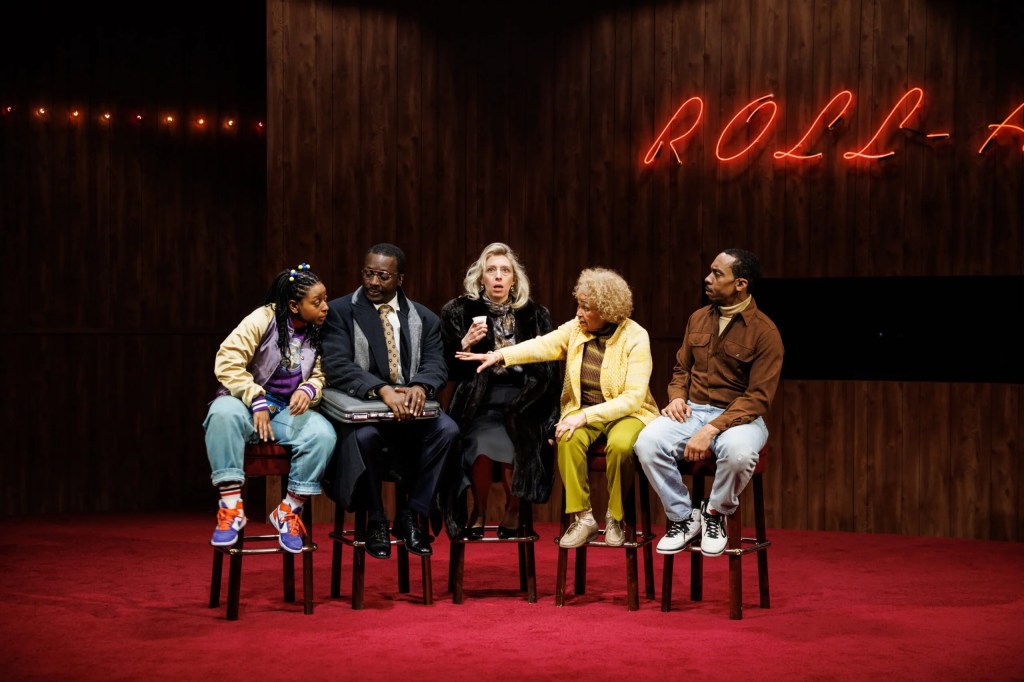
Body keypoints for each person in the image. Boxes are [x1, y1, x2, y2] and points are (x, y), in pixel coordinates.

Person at [458, 267, 659, 549]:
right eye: (579, 304)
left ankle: (615, 517)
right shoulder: (576, 329)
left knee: (621, 445)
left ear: (607, 309)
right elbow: (543, 345)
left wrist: (584, 417)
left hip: (627, 414)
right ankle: (583, 518)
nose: (578, 312)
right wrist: (500, 355)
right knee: (566, 437)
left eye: (586, 307)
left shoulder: (635, 336)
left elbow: (632, 399)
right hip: (583, 408)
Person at [634, 248, 783, 558]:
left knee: (739, 454)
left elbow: (758, 398)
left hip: (740, 418)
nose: (707, 278)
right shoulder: (698, 318)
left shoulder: (765, 332)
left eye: (717, 273)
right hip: (694, 410)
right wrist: (677, 397)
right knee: (647, 442)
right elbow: (681, 369)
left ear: (740, 284)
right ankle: (683, 516)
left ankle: (715, 512)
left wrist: (712, 428)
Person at [320, 243, 459, 559]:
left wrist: (421, 386)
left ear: (400, 279)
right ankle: (376, 519)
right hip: (367, 410)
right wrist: (381, 390)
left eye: (382, 276)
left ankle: (412, 514)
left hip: (411, 412)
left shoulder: (424, 317)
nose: (373, 282)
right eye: (368, 273)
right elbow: (336, 364)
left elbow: (437, 362)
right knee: (364, 438)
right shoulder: (340, 312)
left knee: (447, 431)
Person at [203, 263, 337, 553]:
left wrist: (309, 388)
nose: (325, 307)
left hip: (285, 412)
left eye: (325, 299)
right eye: (317, 302)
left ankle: (289, 510)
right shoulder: (263, 319)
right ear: (294, 305)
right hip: (245, 404)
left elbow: (323, 373)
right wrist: (255, 397)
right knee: (221, 413)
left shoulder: (320, 329)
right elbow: (227, 360)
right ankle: (231, 507)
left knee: (322, 433)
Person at [440, 242, 561, 541]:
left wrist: (551, 420)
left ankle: (513, 508)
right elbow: (445, 371)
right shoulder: (458, 311)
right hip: (479, 402)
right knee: (480, 443)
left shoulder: (536, 314)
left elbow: (550, 374)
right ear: (481, 277)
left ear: (513, 279)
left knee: (519, 443)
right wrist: (465, 343)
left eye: (504, 271)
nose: (497, 276)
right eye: (491, 270)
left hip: (526, 401)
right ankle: (479, 509)